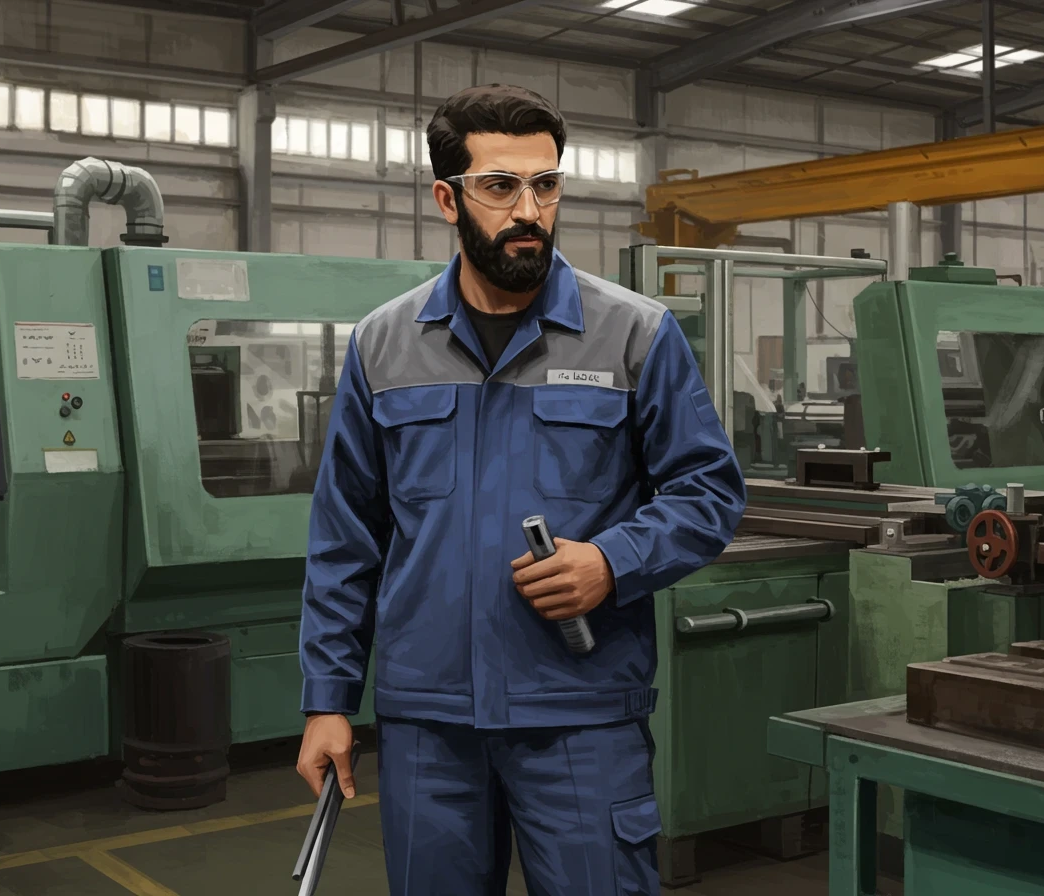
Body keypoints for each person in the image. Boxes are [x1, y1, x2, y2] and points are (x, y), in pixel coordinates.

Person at [295, 83, 747, 895]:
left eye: (546, 184)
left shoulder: (635, 334)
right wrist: (327, 701)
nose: (529, 209)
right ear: (447, 198)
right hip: (429, 725)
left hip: (579, 717)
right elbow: (345, 538)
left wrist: (611, 562)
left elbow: (708, 490)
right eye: (501, 187)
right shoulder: (383, 345)